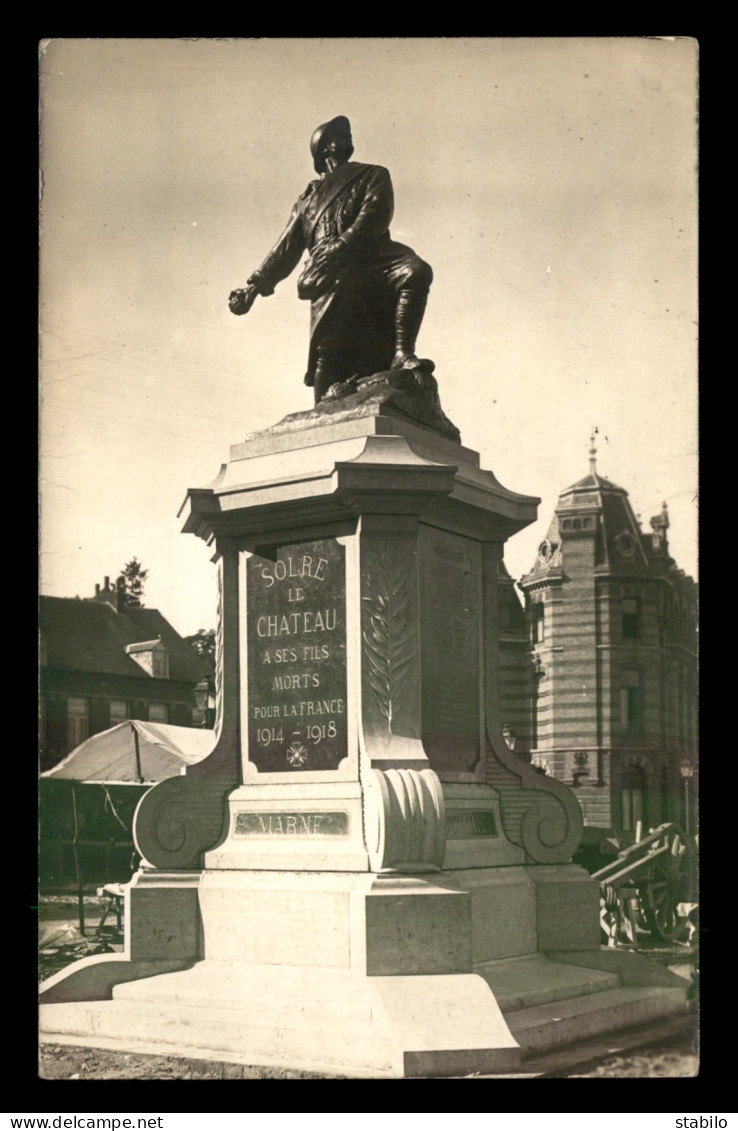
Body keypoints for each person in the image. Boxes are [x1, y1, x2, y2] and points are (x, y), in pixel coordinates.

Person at [229, 116, 433, 403]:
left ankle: (401, 353)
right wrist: (254, 287)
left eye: (348, 133)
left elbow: (375, 213)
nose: (349, 137)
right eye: (340, 134)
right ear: (325, 148)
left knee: (416, 270)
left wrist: (342, 244)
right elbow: (286, 246)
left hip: (370, 255)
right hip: (329, 269)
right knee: (329, 352)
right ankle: (325, 400)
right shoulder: (306, 201)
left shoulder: (372, 174)